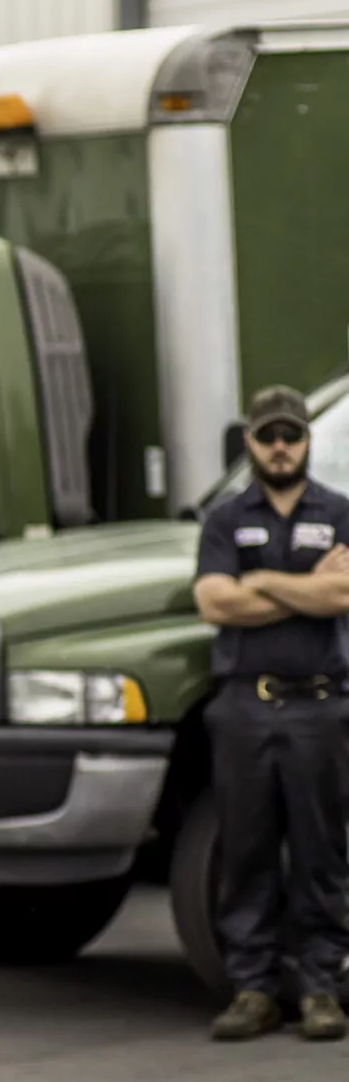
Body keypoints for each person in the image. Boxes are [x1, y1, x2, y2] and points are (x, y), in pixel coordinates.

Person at [190, 384, 349, 1043]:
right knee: (246, 848)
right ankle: (252, 987)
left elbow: (343, 591)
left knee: (322, 850)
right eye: (269, 435)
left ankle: (321, 987)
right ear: (249, 441)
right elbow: (214, 602)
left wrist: (259, 581)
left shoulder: (338, 511)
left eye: (292, 434)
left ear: (306, 439)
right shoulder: (224, 518)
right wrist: (308, 590)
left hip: (320, 703)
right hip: (243, 706)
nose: (281, 446)